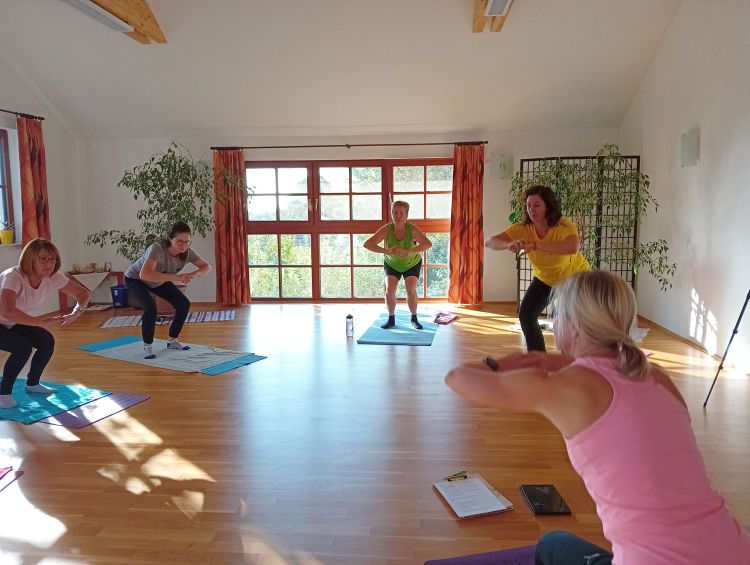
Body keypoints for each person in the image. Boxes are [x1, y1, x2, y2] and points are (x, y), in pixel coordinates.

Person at [445, 271, 750, 564]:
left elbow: (457, 377)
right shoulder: (657, 376)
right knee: (557, 543)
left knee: (551, 545)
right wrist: (559, 362)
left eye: (557, 315)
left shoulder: (571, 387)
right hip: (735, 550)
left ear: (574, 324)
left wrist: (511, 362)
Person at [486, 185, 590, 351]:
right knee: (526, 315)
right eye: (528, 205)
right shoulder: (523, 228)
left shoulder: (563, 225)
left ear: (548, 206)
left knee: (569, 324)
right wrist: (508, 244)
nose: (531, 210)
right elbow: (490, 242)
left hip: (575, 279)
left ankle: (576, 360)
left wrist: (534, 245)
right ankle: (537, 357)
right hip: (545, 279)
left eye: (536, 205)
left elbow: (573, 247)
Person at [0, 238, 91, 409]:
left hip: (10, 321)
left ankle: (32, 384)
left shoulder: (53, 277)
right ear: (30, 258)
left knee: (46, 340)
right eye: (43, 259)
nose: (49, 264)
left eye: (53, 259)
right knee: (22, 348)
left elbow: (83, 294)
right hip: (5, 318)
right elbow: (7, 310)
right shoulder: (14, 276)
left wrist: (77, 312)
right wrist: (39, 322)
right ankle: (3, 394)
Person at [124, 222, 211, 359]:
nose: (183, 246)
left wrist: (192, 275)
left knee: (183, 304)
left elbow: (206, 267)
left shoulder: (187, 252)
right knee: (150, 308)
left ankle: (172, 341)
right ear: (170, 239)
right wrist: (176, 277)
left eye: (187, 242)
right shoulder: (157, 249)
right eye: (179, 241)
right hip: (136, 280)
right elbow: (144, 274)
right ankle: (148, 347)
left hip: (158, 281)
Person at [364, 200, 432, 330]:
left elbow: (427, 244)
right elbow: (368, 244)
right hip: (392, 263)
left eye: (401, 213)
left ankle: (414, 318)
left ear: (406, 215)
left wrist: (410, 251)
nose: (398, 216)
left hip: (412, 263)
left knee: (410, 289)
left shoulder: (412, 229)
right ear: (391, 214)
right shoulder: (387, 229)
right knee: (389, 290)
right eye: (395, 212)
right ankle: (391, 319)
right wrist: (386, 251)